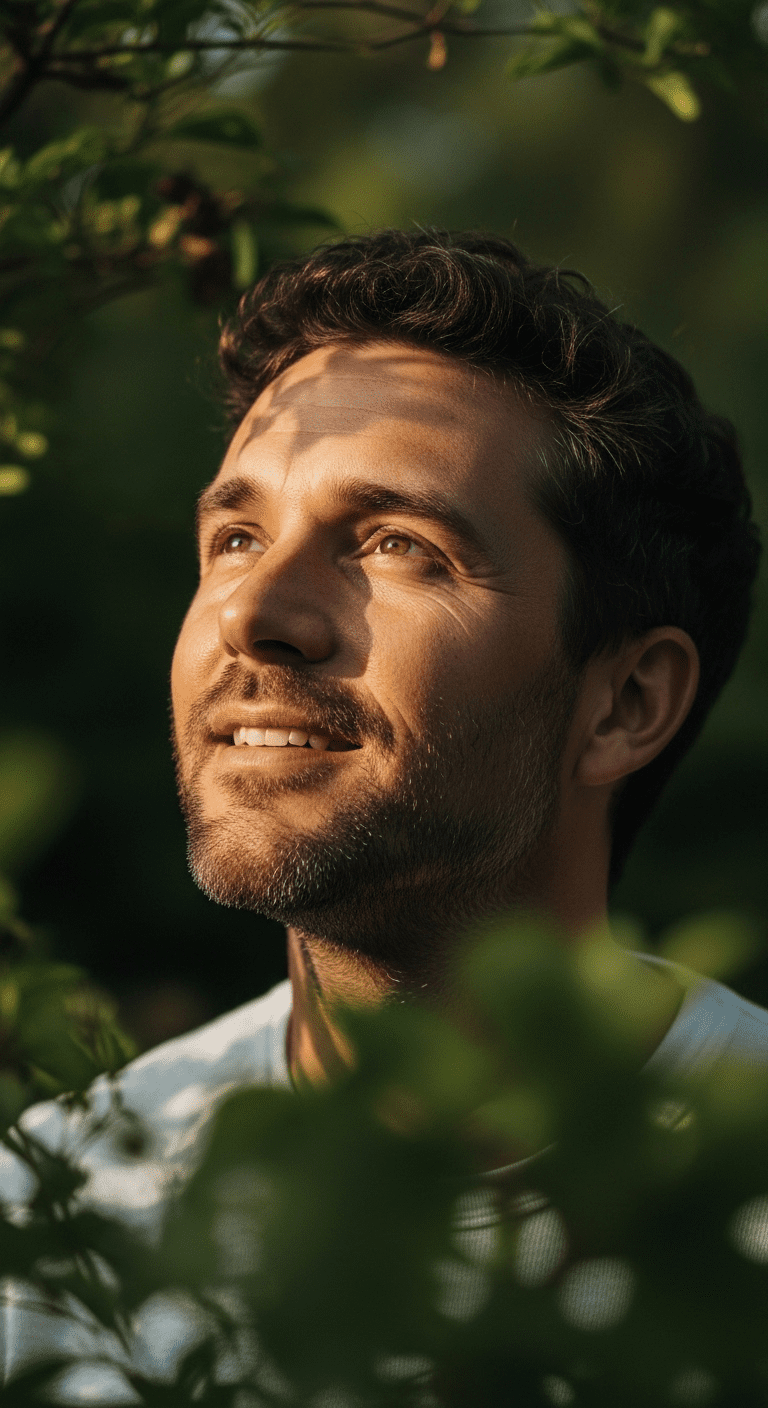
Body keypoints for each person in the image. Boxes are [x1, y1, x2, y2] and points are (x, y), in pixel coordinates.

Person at [1, 228, 765, 1396]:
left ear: (624, 703)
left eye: (399, 544)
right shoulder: (52, 1224)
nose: (256, 611)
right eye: (237, 537)